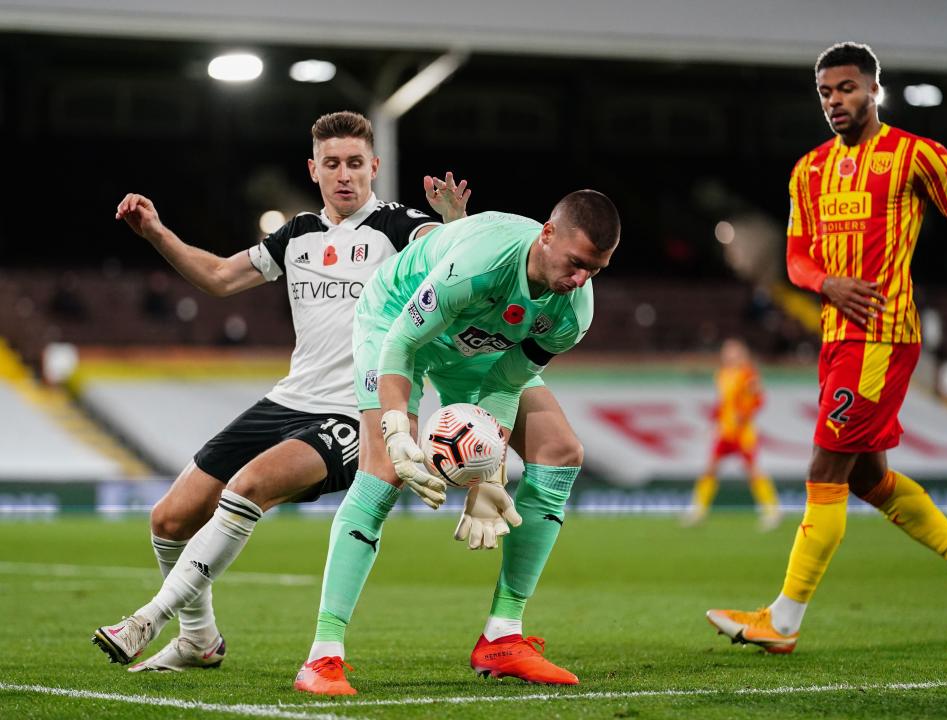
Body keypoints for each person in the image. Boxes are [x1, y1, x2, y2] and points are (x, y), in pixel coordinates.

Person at [92, 110, 470, 671]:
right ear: (313, 170)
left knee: (249, 487)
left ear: (374, 166)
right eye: (332, 164)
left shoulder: (399, 226)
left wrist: (456, 224)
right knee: (169, 520)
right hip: (289, 399)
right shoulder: (297, 233)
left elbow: (450, 253)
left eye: (355, 163)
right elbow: (220, 277)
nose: (345, 175)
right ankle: (199, 640)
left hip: (356, 411)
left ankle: (147, 619)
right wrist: (155, 232)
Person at [289, 190, 620, 696]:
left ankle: (502, 636)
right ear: (547, 234)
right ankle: (323, 655)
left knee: (560, 452)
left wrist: (489, 475)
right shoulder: (478, 265)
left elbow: (507, 381)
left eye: (594, 270)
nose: (580, 279)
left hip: (479, 345)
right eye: (576, 263)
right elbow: (403, 342)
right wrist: (396, 430)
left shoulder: (573, 311)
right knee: (384, 472)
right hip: (396, 320)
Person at [706, 42, 947, 654]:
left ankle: (783, 621)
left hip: (882, 335)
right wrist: (827, 283)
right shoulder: (809, 170)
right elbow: (796, 259)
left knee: (825, 471)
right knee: (870, 478)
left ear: (874, 89)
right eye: (825, 92)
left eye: (846, 88)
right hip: (837, 336)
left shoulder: (918, 155)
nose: (835, 101)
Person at [682, 338, 781, 530]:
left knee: (752, 471)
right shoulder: (722, 374)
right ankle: (698, 510)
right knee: (710, 469)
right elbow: (722, 403)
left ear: (742, 354)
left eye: (734, 352)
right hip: (725, 432)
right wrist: (713, 422)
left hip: (743, 433)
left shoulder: (748, 374)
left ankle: (772, 510)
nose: (730, 355)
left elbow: (759, 400)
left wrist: (743, 415)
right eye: (727, 352)